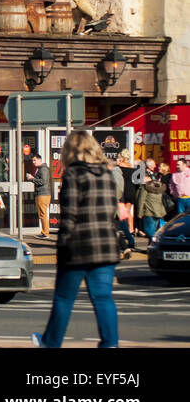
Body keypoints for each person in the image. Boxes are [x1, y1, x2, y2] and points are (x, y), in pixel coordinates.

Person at [32, 131, 120, 348]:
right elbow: (112, 211)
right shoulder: (107, 174)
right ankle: (110, 343)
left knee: (64, 299)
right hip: (106, 245)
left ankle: (51, 343)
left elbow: (69, 215)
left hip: (79, 247)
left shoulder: (73, 174)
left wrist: (62, 245)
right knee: (103, 298)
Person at [136, 162, 168, 240]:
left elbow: (141, 200)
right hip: (159, 211)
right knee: (154, 229)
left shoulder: (145, 187)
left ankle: (158, 240)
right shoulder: (159, 187)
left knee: (148, 230)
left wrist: (139, 214)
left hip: (149, 211)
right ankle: (152, 248)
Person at [30, 155, 52, 238]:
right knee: (42, 214)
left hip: (43, 194)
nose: (33, 162)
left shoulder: (43, 169)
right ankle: (44, 232)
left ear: (40, 160)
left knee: (43, 214)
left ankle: (45, 233)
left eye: (35, 160)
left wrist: (32, 179)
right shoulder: (40, 169)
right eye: (33, 160)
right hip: (41, 193)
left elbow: (43, 181)